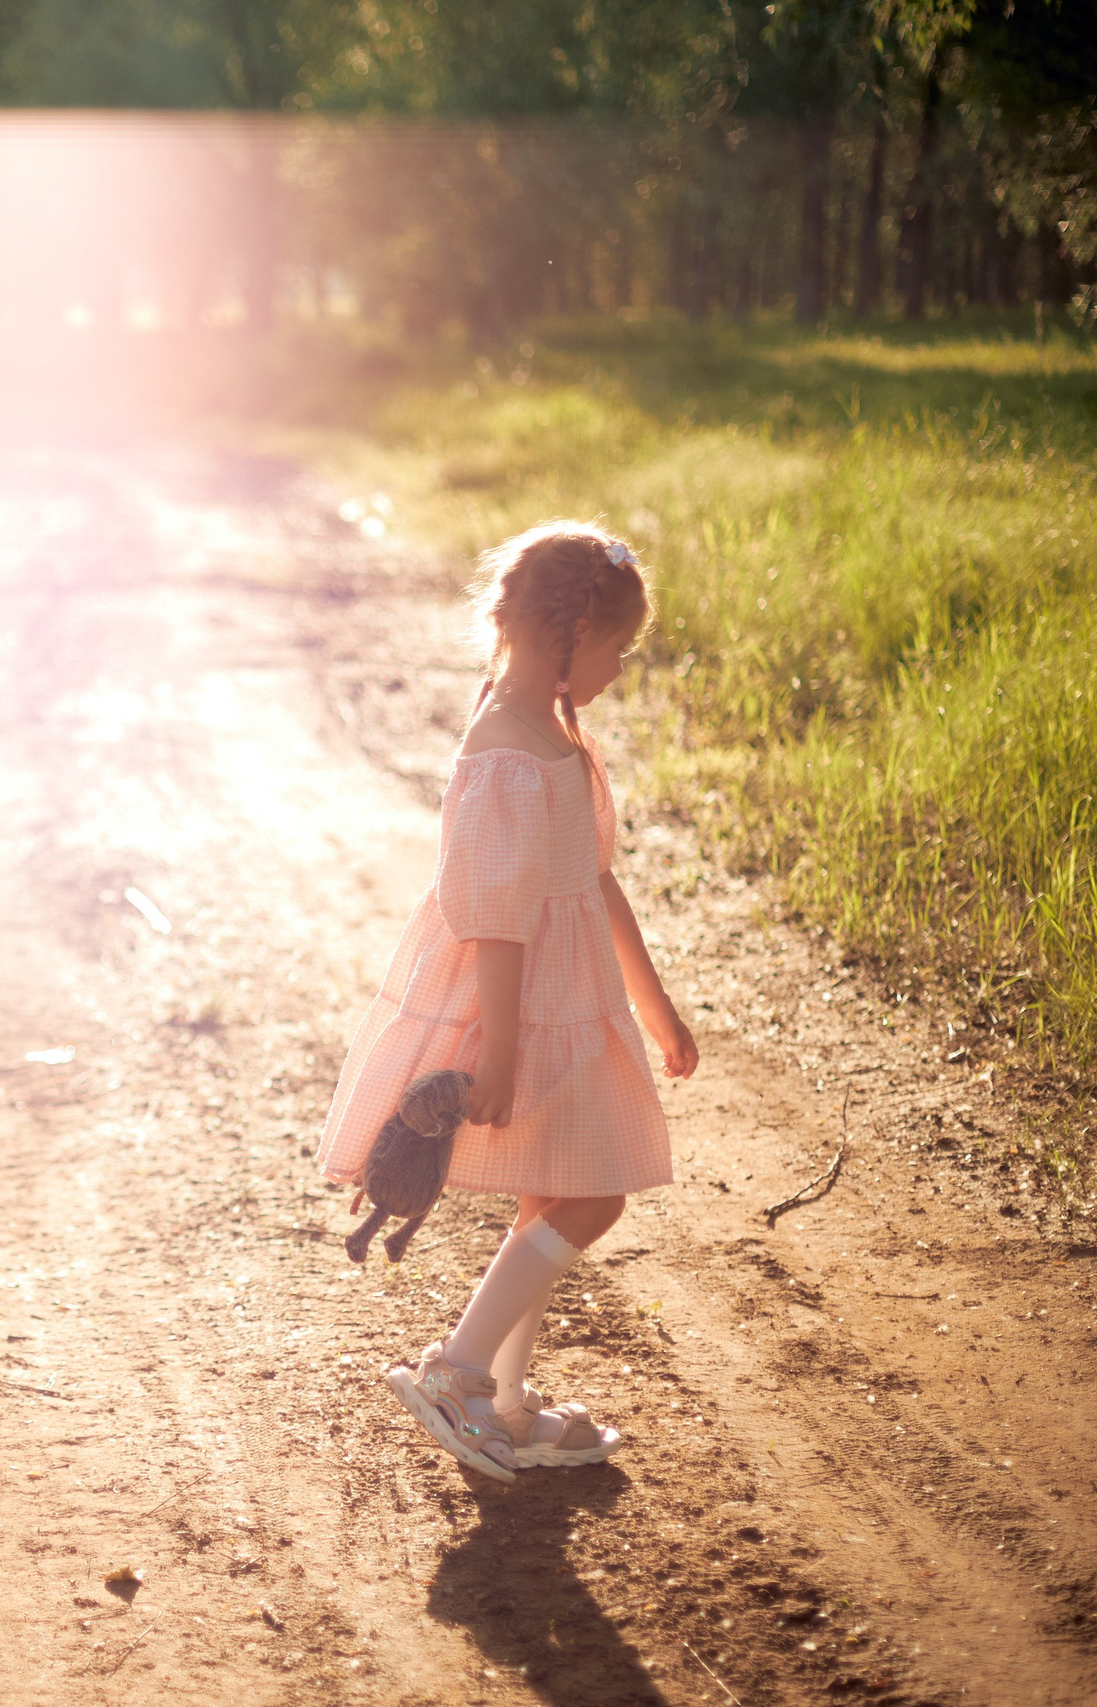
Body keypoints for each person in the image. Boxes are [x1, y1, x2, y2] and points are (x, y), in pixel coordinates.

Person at [318, 521, 697, 1482]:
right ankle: (455, 1368)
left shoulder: (559, 736)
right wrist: (499, 1050)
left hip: (573, 994)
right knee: (593, 1191)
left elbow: (594, 878)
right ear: (568, 631)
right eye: (616, 647)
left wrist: (655, 1008)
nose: (619, 665)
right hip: (522, 998)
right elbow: (492, 918)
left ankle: (509, 1401)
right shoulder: (502, 751)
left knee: (557, 1179)